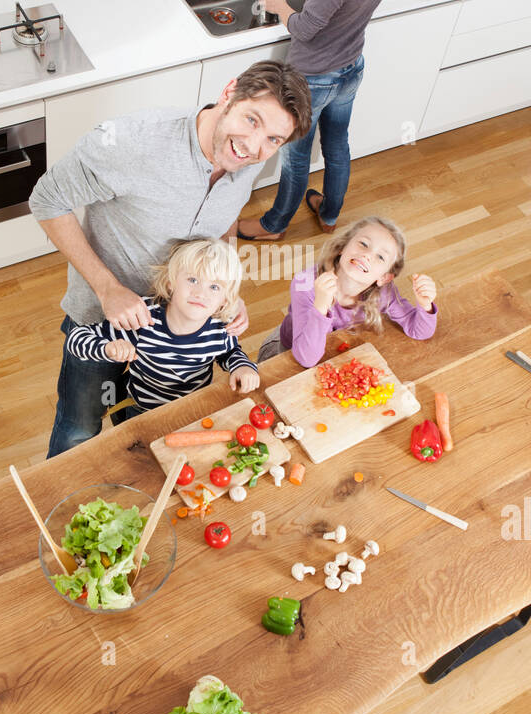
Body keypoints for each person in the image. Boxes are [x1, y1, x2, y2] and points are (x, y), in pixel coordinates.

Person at [28, 60, 312, 456]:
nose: (253, 146)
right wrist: (109, 289)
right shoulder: (133, 143)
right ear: (228, 93)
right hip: (104, 316)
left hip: (185, 325)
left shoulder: (248, 159)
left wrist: (225, 287)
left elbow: (225, 220)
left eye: (274, 139)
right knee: (80, 428)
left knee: (150, 424)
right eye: (251, 119)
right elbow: (45, 200)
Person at [237, 0, 425, 241]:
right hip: (350, 68)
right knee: (337, 144)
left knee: (295, 157)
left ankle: (273, 225)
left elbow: (306, 28)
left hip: (313, 79)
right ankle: (330, 213)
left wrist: (278, 5)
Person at [64, 238, 260, 417]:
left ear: (224, 302)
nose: (201, 293)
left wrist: (243, 366)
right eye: (193, 280)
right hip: (141, 410)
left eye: (214, 287)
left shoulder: (219, 328)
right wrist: (107, 349)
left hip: (191, 409)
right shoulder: (143, 319)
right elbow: (76, 338)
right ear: (170, 284)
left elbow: (230, 352)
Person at [258, 215, 437, 368]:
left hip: (331, 358)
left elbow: (419, 331)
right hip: (286, 355)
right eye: (363, 244)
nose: (367, 255)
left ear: (384, 277)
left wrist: (425, 305)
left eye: (381, 257)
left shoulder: (385, 293)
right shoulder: (305, 283)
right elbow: (306, 358)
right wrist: (320, 306)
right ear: (343, 247)